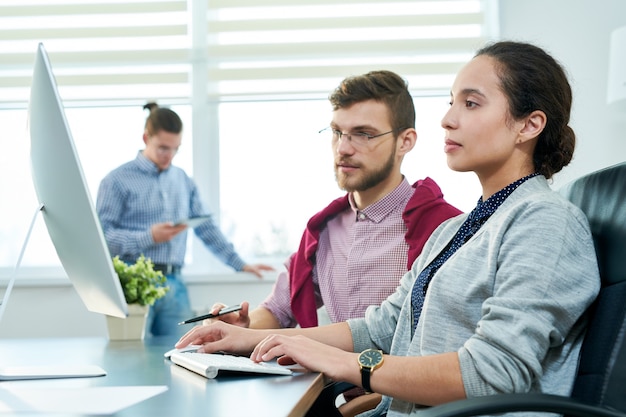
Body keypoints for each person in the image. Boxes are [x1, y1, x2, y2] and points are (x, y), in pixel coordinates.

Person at [176, 41, 601, 417]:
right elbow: (381, 327)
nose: (448, 120)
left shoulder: (546, 221)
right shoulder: (457, 229)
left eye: (471, 104)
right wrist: (249, 340)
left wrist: (344, 364)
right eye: (452, 102)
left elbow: (492, 373)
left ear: (529, 125)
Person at [207, 70, 461, 332]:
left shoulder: (445, 228)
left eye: (364, 134)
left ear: (404, 142)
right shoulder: (323, 231)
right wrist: (241, 326)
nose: (343, 148)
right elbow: (278, 310)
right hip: (332, 373)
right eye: (337, 132)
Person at [96, 102, 273, 337]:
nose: (169, 156)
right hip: (133, 285)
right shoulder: (116, 181)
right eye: (162, 148)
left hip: (174, 285)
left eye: (175, 149)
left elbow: (206, 227)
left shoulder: (182, 180)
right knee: (129, 352)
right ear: (145, 138)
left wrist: (239, 263)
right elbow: (101, 238)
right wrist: (149, 237)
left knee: (180, 353)